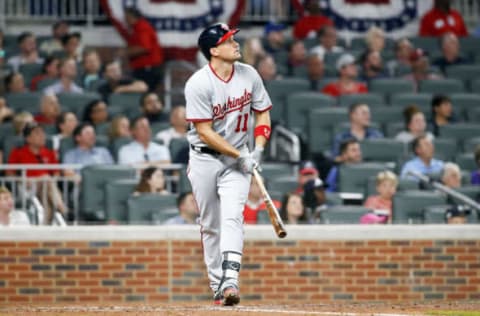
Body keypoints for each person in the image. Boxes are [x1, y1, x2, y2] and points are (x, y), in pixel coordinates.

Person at [185, 23, 273, 306]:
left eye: (233, 38)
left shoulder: (250, 74)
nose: (235, 43)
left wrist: (257, 149)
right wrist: (240, 156)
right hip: (204, 158)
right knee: (210, 224)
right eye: (228, 40)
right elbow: (205, 132)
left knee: (233, 216)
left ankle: (230, 280)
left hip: (240, 160)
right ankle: (216, 285)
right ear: (213, 50)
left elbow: (262, 115)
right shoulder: (198, 83)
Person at [7, 122, 68, 224]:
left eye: (43, 133)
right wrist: (24, 180)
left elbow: (56, 173)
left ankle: (45, 224)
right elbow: (10, 175)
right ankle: (62, 208)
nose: (42, 136)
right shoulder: (18, 152)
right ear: (28, 139)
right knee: (46, 179)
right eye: (37, 134)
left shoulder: (49, 152)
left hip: (47, 186)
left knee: (46, 183)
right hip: (26, 186)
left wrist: (51, 180)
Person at [111, 7, 164, 91]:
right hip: (142, 68)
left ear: (131, 17)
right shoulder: (135, 28)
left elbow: (144, 47)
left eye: (126, 17)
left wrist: (124, 52)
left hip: (148, 69)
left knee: (144, 93)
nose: (125, 20)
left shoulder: (142, 27)